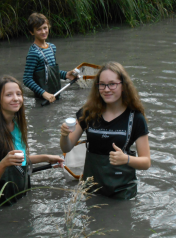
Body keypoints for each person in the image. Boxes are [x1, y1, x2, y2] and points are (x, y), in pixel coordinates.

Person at [60, 62, 151, 199]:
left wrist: (126, 159)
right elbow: (67, 147)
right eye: (102, 84)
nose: (106, 89)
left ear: (123, 86)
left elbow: (146, 162)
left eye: (112, 84)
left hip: (122, 191)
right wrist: (64, 136)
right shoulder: (88, 113)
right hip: (91, 188)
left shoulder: (136, 118)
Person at [0, 75, 64, 204]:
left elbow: (21, 160)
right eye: (9, 95)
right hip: (2, 201)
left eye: (19, 94)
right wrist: (4, 163)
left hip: (20, 194)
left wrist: (46, 158)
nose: (16, 98)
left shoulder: (17, 124)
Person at [23, 12, 77, 103]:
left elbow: (49, 72)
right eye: (39, 29)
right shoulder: (34, 53)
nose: (43, 32)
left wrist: (66, 75)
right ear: (32, 32)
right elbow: (27, 79)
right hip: (42, 99)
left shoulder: (52, 47)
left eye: (45, 28)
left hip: (55, 94)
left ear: (49, 26)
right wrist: (44, 93)